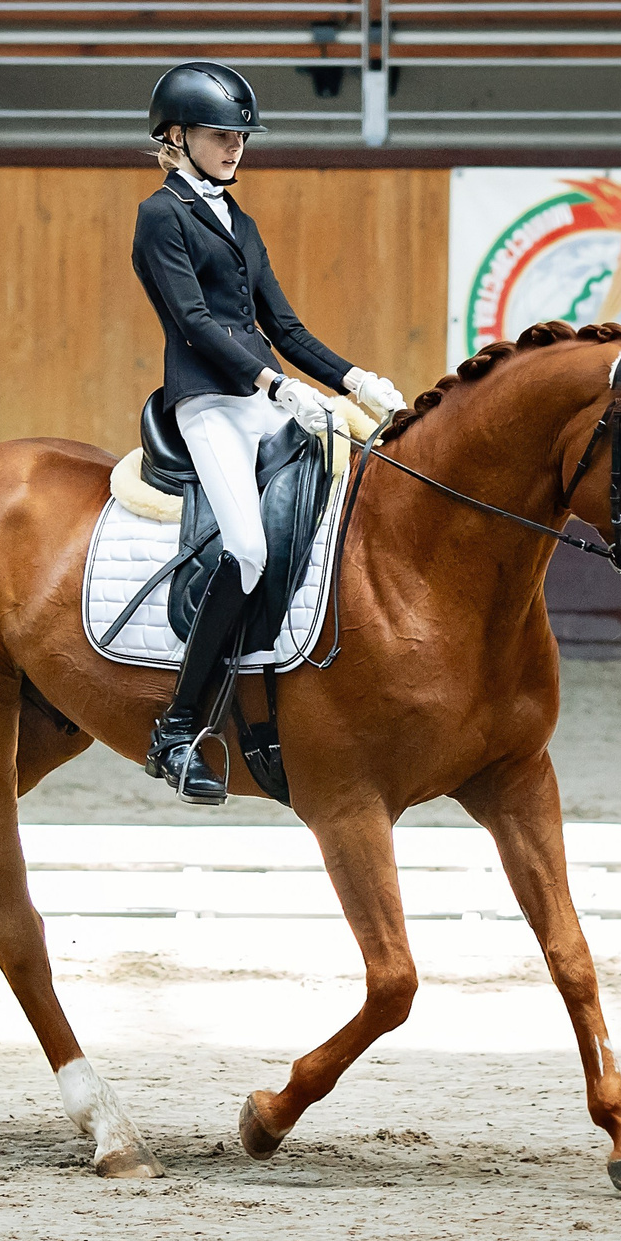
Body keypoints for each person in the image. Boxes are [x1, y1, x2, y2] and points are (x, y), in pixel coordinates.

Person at [130, 61, 407, 805]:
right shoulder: (161, 216)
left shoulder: (238, 222)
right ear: (178, 137)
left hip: (261, 398)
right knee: (246, 547)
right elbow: (193, 321)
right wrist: (278, 385)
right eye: (222, 136)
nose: (235, 148)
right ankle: (179, 727)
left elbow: (282, 326)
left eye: (239, 137)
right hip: (211, 405)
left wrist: (354, 381)